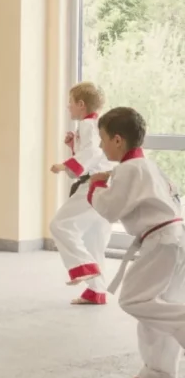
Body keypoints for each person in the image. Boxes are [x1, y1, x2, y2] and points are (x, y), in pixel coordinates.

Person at [86, 106, 185, 378]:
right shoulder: (147, 165)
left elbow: (110, 209)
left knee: (134, 300)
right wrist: (111, 181)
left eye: (103, 139)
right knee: (158, 306)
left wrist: (96, 186)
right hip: (174, 237)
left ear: (118, 140)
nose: (101, 145)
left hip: (162, 241)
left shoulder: (129, 169)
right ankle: (159, 374)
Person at [49, 82, 114, 305]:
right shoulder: (96, 125)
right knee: (94, 239)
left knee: (60, 225)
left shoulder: (88, 124)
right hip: (107, 185)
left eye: (70, 103)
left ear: (81, 104)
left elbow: (93, 153)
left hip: (93, 186)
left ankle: (83, 267)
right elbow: (94, 152)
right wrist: (73, 146)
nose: (68, 108)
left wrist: (66, 165)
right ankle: (97, 291)